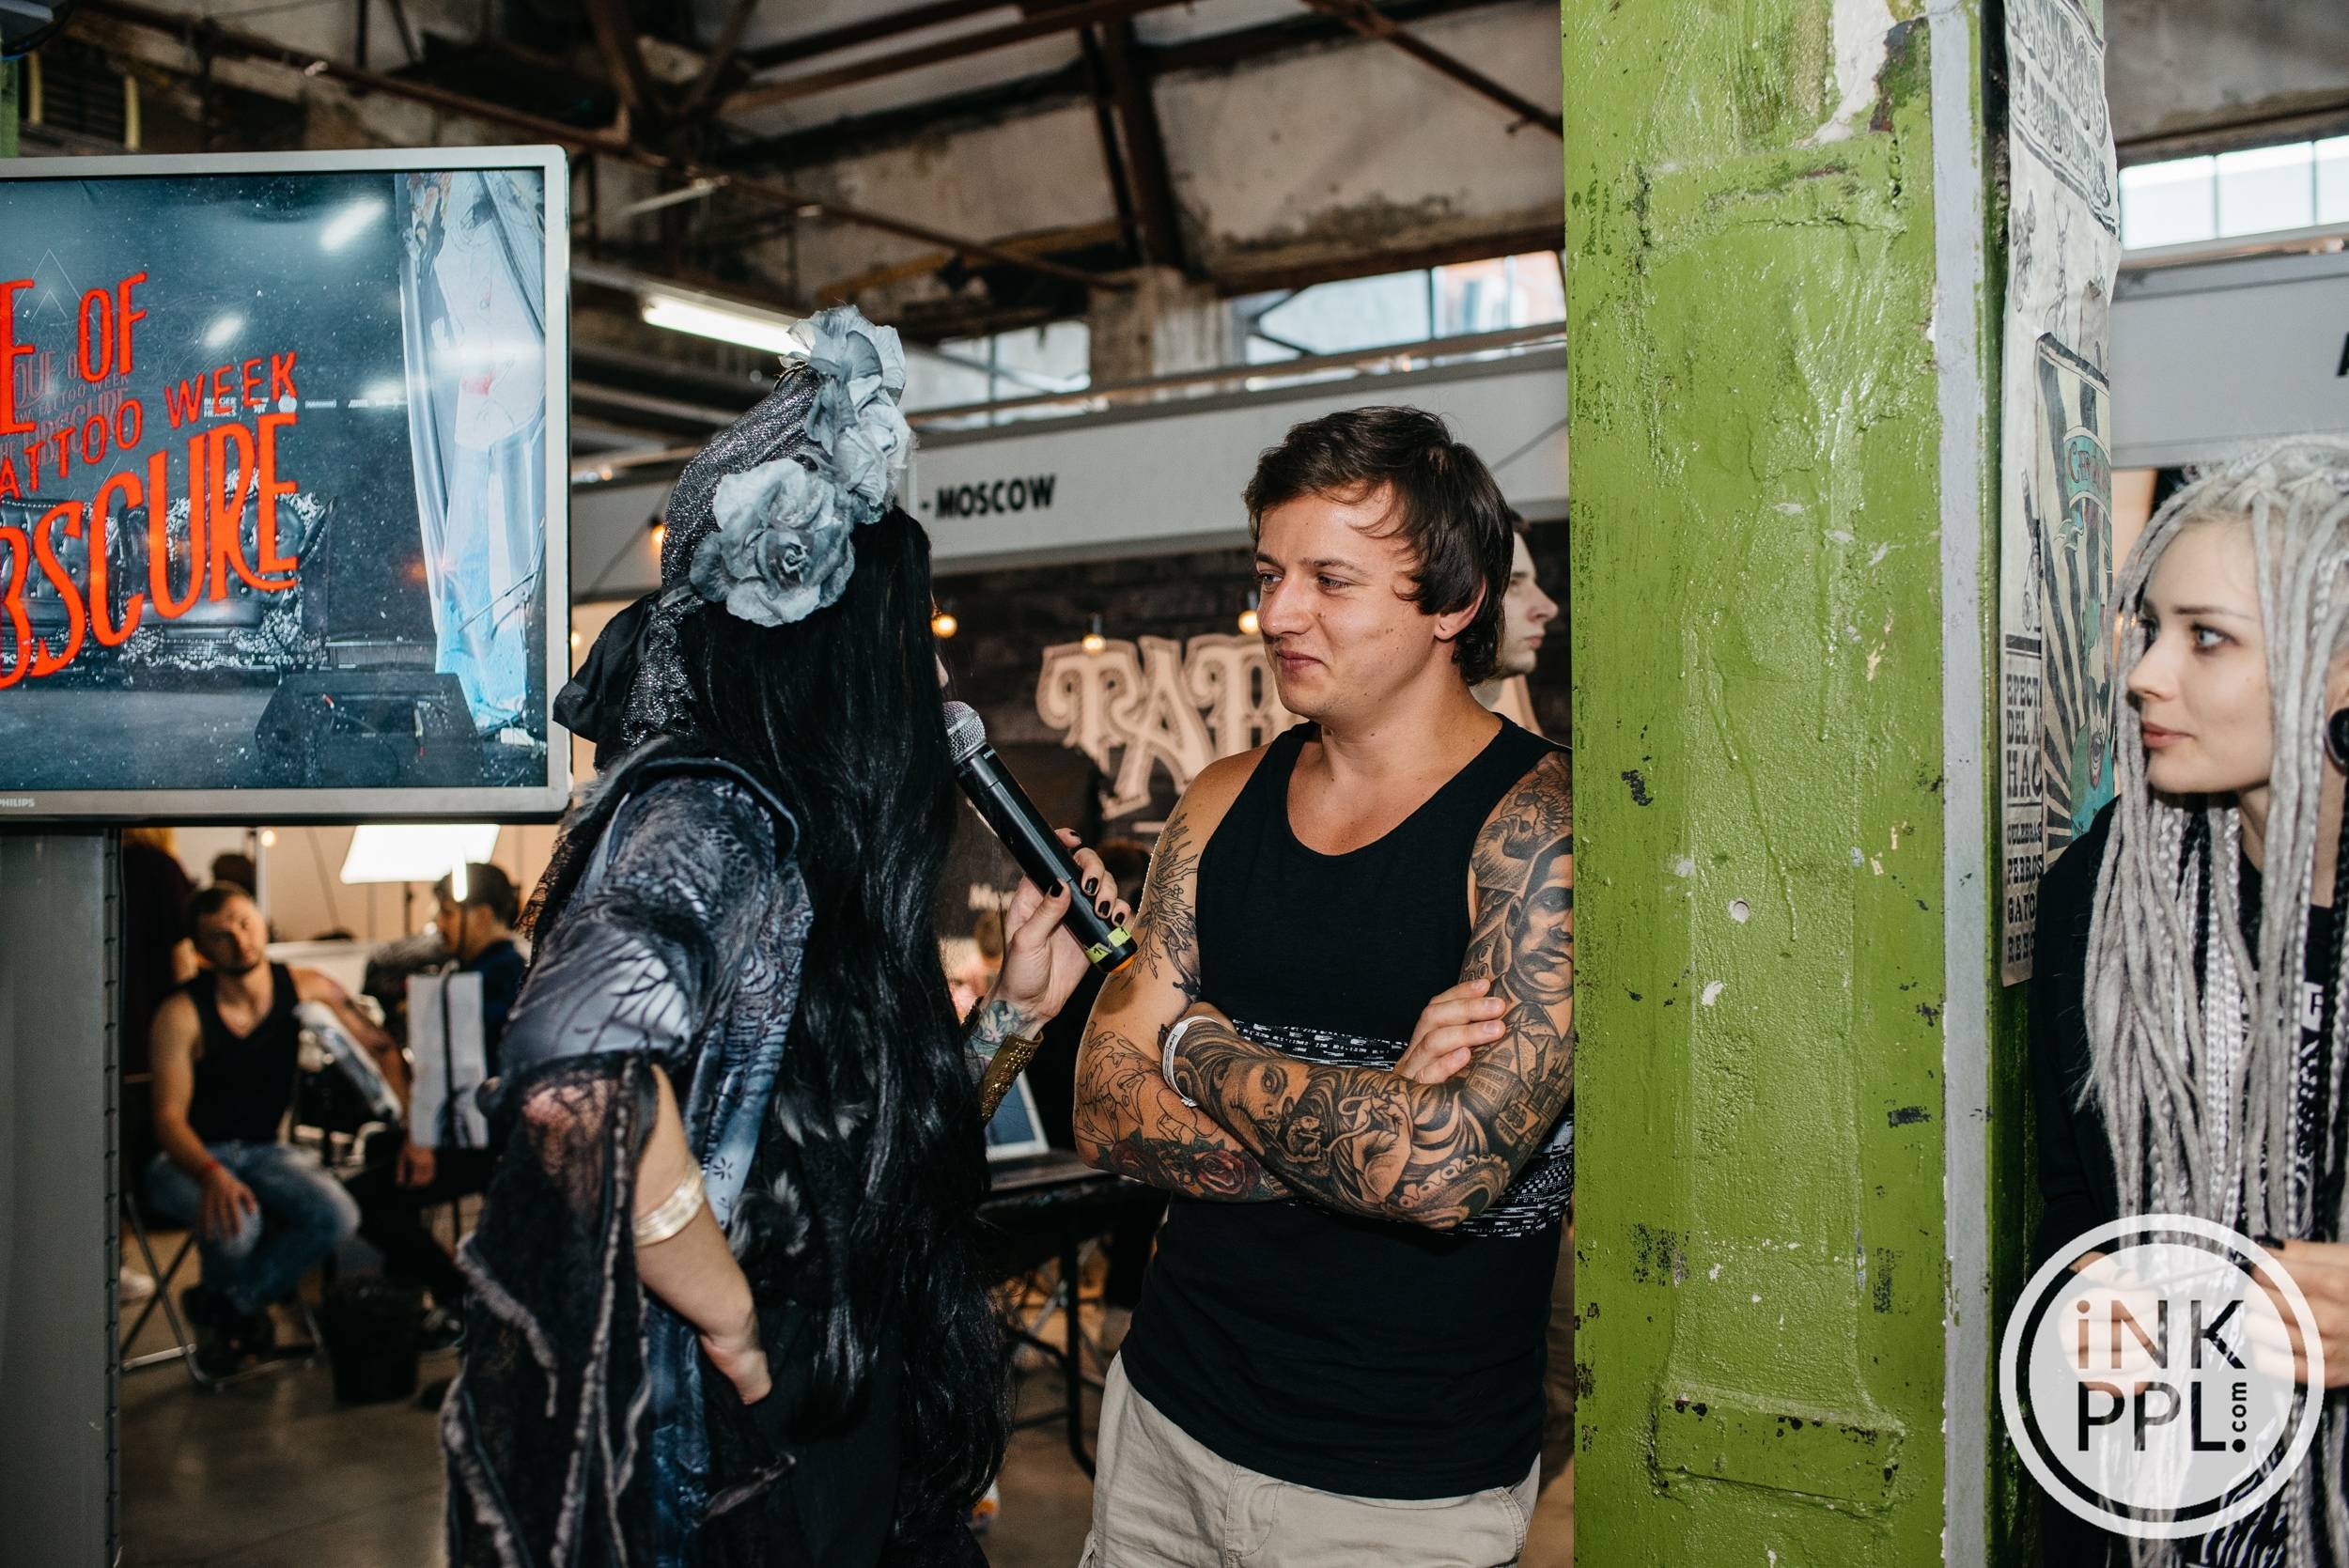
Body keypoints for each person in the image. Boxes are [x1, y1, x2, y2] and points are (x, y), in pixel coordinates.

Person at [443, 306, 1132, 1568]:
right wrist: (731, 1317)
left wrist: (1014, 1016)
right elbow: (573, 1072)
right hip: (754, 1440)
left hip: (850, 1398)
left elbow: (857, 1163)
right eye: (911, 638)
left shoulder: (813, 850)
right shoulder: (711, 813)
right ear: (836, 650)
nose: (936, 685)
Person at [1072, 406, 1575, 1566]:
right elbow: (1099, 1103)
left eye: (1330, 580)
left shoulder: (1542, 828)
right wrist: (1370, 1121)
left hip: (1396, 1488)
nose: (1279, 612)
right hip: (1165, 1422)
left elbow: (1441, 1174)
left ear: (1453, 602)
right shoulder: (1217, 799)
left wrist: (1193, 1048)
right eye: (1270, 574)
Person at [2031, 437, 2349, 1567]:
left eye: (2206, 637)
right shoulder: (2106, 896)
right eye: (2152, 626)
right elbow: (2074, 1205)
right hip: (2164, 1510)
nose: (2144, 674)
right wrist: (2086, 1296)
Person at [146, 883, 398, 1374]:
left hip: (264, 1150)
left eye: (245, 923)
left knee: (337, 1213)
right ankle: (233, 1328)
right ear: (201, 949)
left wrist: (413, 1122)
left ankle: (227, 1308)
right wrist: (211, 1173)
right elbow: (167, 1119)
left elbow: (379, 1045)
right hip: (187, 1156)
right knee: (239, 1226)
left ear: (260, 921)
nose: (240, 941)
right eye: (221, 936)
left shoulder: (305, 985)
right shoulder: (180, 1013)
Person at [1470, 511, 1577, 1498]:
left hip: (1540, 1189)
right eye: (1515, 584)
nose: (1544, 605)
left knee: (1558, 1391)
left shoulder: (1545, 777)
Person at [343, 862, 525, 1332]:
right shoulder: (480, 972)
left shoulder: (498, 977)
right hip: (477, 1130)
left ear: (480, 915)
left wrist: (421, 1137)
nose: (439, 925)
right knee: (380, 1150)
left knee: (361, 1200)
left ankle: (456, 1296)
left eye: (446, 912)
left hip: (486, 1140)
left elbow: (454, 1071)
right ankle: (412, 1299)